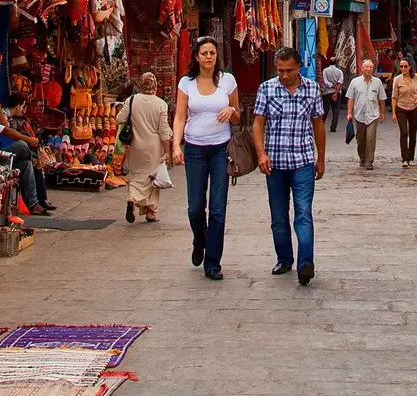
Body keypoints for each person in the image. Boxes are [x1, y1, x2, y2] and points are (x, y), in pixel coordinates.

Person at [251, 46, 327, 285]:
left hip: (303, 161)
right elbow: (258, 123)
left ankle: (306, 263)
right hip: (275, 163)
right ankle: (284, 258)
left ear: (299, 67)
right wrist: (261, 154)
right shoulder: (267, 89)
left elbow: (318, 125)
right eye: (280, 71)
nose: (284, 76)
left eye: (289, 71)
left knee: (303, 212)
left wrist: (321, 157)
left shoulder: (312, 89)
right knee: (278, 216)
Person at [171, 36, 241, 280]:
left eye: (212, 53)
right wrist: (175, 146)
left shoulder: (227, 81)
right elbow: (180, 116)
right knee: (195, 208)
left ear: (216, 56)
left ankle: (213, 263)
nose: (208, 57)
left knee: (218, 209)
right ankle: (200, 240)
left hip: (221, 150)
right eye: (204, 53)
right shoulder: (186, 83)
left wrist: (231, 110)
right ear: (197, 57)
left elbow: (238, 115)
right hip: (194, 150)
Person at [116, 73, 172, 224]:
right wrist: (167, 151)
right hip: (154, 147)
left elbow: (120, 119)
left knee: (135, 175)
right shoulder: (161, 104)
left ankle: (131, 199)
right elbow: (164, 131)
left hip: (136, 145)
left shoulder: (132, 100)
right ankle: (151, 213)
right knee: (152, 178)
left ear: (141, 84)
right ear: (155, 85)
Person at [0, 99, 52, 217]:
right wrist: (29, 141)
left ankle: (33, 204)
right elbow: (6, 130)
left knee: (26, 164)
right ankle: (33, 158)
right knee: (22, 145)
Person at [344, 57, 388, 169]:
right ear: (362, 68)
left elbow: (382, 99)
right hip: (359, 115)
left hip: (373, 115)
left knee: (371, 138)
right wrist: (349, 113)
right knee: (361, 139)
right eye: (367, 67)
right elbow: (350, 98)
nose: (369, 69)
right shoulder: (355, 82)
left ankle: (369, 161)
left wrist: (382, 113)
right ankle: (362, 159)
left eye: (371, 67)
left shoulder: (377, 82)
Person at [391, 57, 417, 166]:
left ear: (410, 67)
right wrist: (394, 113)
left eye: (405, 66)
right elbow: (394, 97)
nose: (403, 68)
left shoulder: (416, 78)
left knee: (412, 133)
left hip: (414, 108)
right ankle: (405, 158)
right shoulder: (397, 79)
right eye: (401, 66)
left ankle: (411, 157)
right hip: (401, 107)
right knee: (404, 132)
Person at [320, 57, 346, 133]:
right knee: (336, 110)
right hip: (337, 92)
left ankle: (321, 125)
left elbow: (325, 81)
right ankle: (333, 127)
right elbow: (340, 82)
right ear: (336, 63)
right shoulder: (339, 71)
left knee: (325, 109)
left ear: (329, 62)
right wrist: (336, 91)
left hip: (327, 92)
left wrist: (331, 86)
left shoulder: (325, 70)